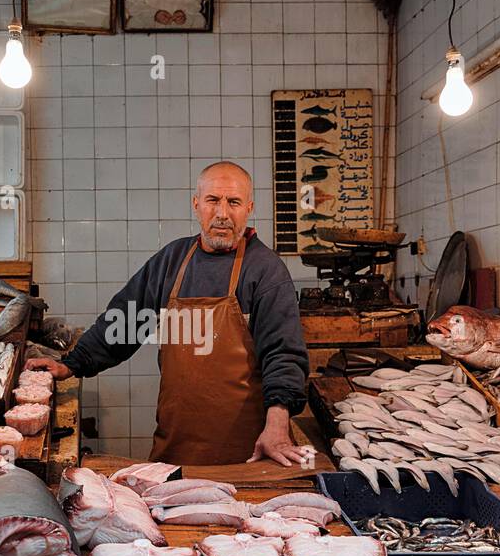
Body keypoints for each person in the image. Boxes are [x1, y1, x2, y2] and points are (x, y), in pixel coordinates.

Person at [26, 161, 311, 466]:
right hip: (176, 447)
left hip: (248, 453)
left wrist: (278, 425)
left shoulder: (266, 272)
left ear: (249, 207)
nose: (223, 214)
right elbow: (124, 321)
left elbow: (283, 355)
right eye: (213, 200)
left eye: (234, 202)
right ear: (196, 204)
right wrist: (71, 364)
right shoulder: (172, 261)